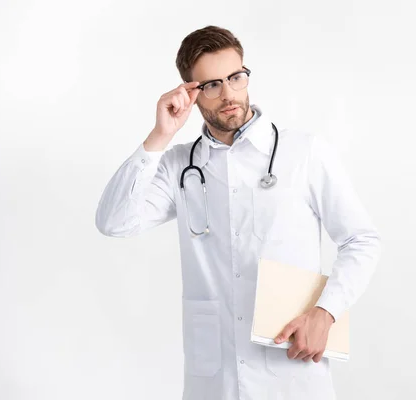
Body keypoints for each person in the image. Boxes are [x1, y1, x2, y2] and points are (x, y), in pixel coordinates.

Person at [95, 25, 382, 400]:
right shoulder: (180, 166)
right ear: (190, 93)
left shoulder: (304, 153)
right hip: (215, 381)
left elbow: (361, 240)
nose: (229, 93)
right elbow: (114, 222)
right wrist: (160, 135)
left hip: (291, 369)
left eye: (235, 77)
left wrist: (325, 312)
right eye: (212, 84)